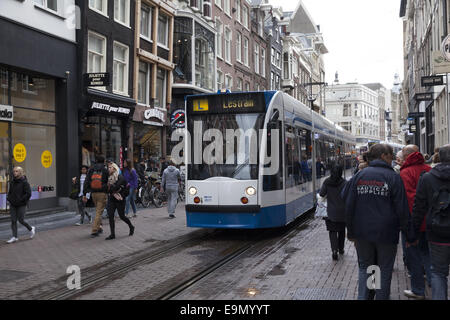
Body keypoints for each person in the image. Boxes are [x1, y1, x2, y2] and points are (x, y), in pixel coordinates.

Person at [342, 143, 411, 300]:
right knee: (384, 269)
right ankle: (379, 296)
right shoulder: (393, 177)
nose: (392, 159)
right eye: (390, 156)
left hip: (363, 231)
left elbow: (348, 204)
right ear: (383, 156)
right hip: (386, 232)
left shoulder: (359, 176)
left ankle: (366, 296)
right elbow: (402, 208)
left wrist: (351, 231)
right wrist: (409, 234)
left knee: (367, 267)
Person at [409, 144, 450, 300]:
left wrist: (413, 233)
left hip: (437, 232)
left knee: (438, 273)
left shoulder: (427, 178)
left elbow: (419, 207)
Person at [399, 145, 432, 299]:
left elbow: (408, 199)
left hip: (414, 221)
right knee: (427, 253)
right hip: (431, 220)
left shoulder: (405, 172)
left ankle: (418, 290)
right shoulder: (428, 169)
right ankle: (434, 283)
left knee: (414, 256)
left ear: (406, 156)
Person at [319, 164, 347, 260]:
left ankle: (334, 250)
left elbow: (322, 193)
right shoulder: (344, 182)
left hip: (331, 211)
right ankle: (341, 249)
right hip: (343, 211)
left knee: (332, 231)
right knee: (342, 231)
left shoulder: (327, 182)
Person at [105, 162, 135, 240]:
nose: (108, 169)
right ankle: (112, 234)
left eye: (110, 167)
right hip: (112, 199)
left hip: (120, 199)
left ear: (114, 169)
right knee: (111, 215)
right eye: (108, 167)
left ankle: (131, 226)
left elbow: (116, 187)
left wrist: (120, 194)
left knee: (122, 216)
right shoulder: (109, 177)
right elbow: (107, 189)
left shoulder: (120, 177)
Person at [6, 167, 35, 244]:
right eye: (14, 171)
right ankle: (14, 237)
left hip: (21, 204)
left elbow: (28, 193)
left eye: (16, 171)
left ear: (20, 172)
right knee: (13, 220)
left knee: (21, 220)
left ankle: (31, 228)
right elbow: (10, 192)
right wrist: (9, 198)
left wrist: (21, 200)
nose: (14, 172)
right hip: (13, 204)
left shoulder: (24, 182)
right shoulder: (12, 182)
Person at [84, 155, 109, 237]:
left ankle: (99, 227)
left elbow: (87, 180)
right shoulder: (105, 170)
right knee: (99, 212)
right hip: (102, 193)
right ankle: (94, 230)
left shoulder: (91, 169)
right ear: (103, 161)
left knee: (98, 211)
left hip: (93, 193)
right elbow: (108, 181)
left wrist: (86, 192)